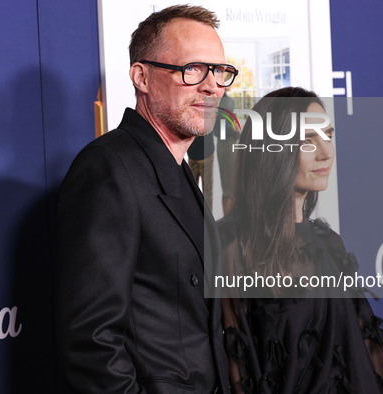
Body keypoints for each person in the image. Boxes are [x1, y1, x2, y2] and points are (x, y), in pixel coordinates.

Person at [54, 5, 238, 393]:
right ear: (142, 76)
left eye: (220, 72)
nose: (211, 87)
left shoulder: (179, 170)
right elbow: (92, 343)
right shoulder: (108, 168)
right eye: (193, 69)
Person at [218, 87, 383, 393]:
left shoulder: (328, 245)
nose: (325, 151)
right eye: (308, 140)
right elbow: (237, 369)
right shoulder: (232, 248)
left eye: (328, 135)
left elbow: (370, 353)